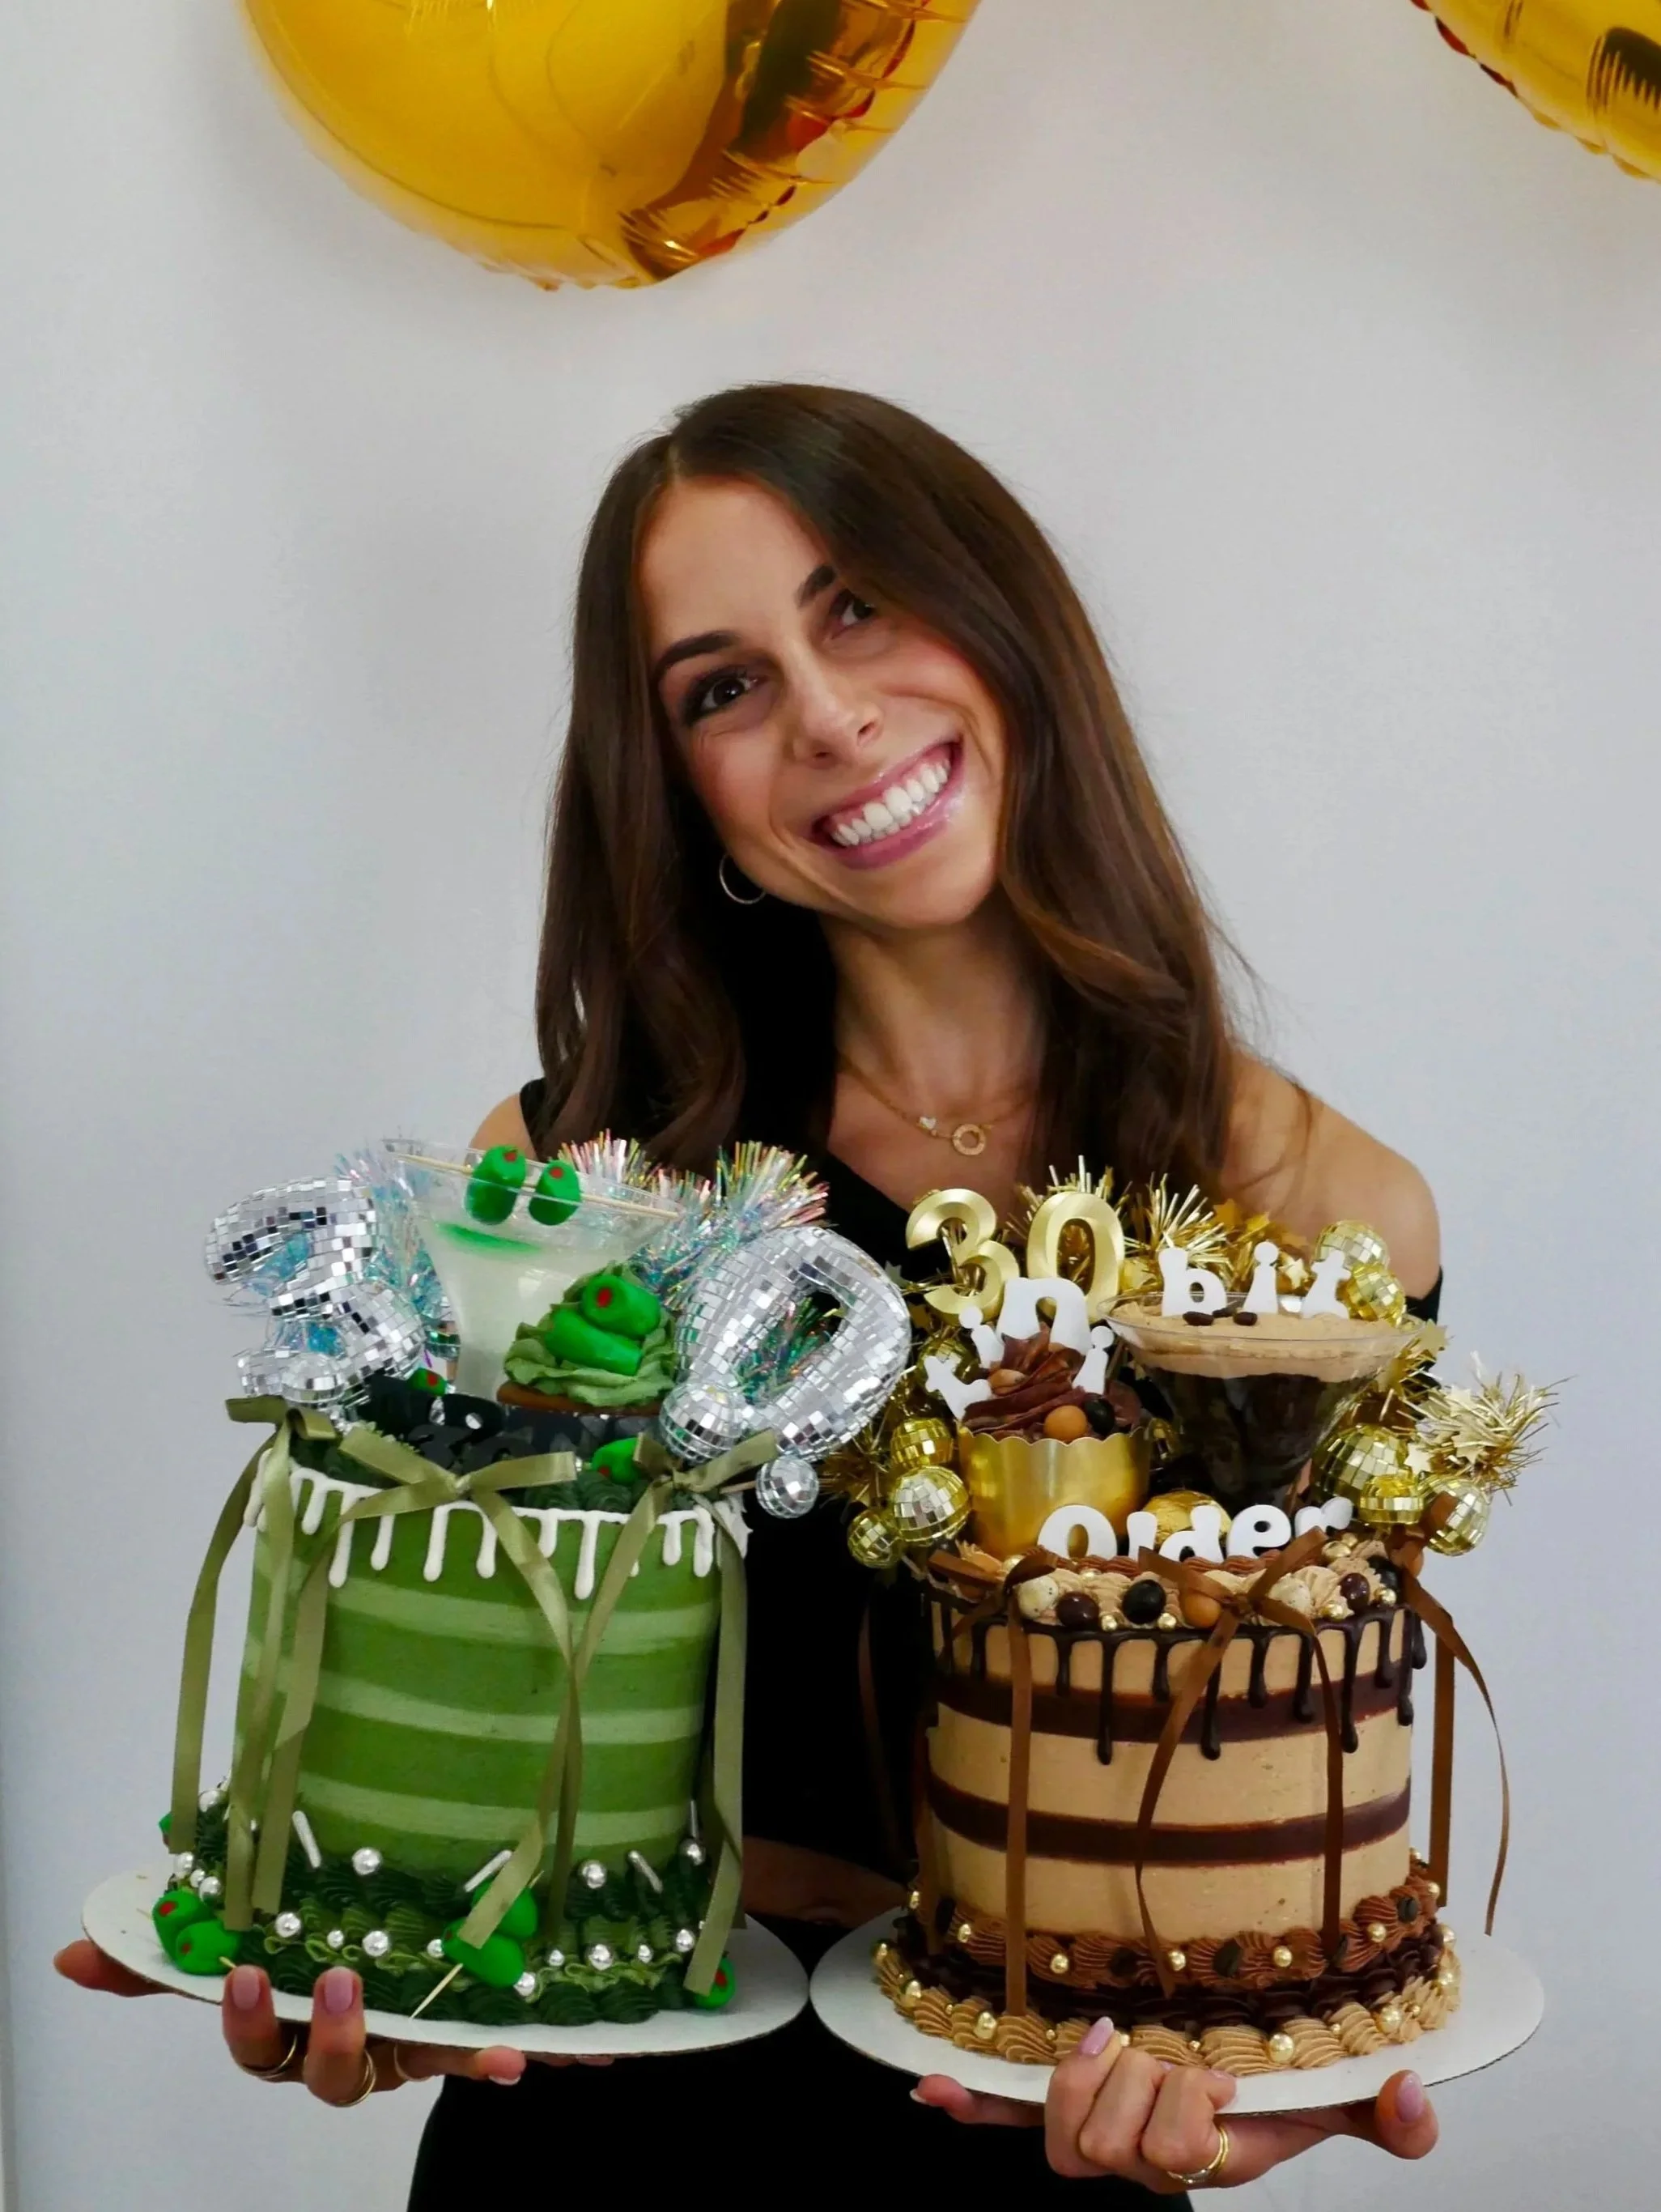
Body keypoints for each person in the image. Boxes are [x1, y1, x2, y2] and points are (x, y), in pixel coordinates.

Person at [60, 384, 1443, 2197]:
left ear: (1006, 614)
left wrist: (1263, 2089)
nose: (829, 715)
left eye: (857, 604)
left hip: (1047, 2155)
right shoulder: (582, 1191)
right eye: (722, 687)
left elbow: (1298, 1811)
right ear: (680, 787)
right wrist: (403, 1963)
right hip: (601, 2137)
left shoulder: (1324, 1225)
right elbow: (476, 1721)